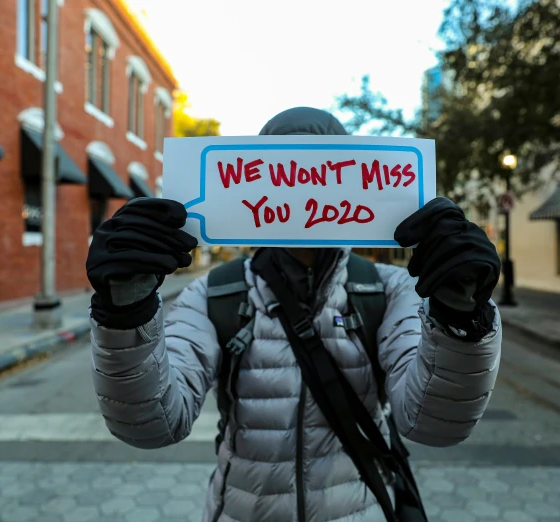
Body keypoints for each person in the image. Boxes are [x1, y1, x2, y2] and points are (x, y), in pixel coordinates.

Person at [86, 107, 503, 522]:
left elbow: (436, 426)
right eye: (288, 171)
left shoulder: (389, 289)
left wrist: (459, 315)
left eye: (325, 171)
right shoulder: (214, 292)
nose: (306, 192)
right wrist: (126, 310)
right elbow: (153, 425)